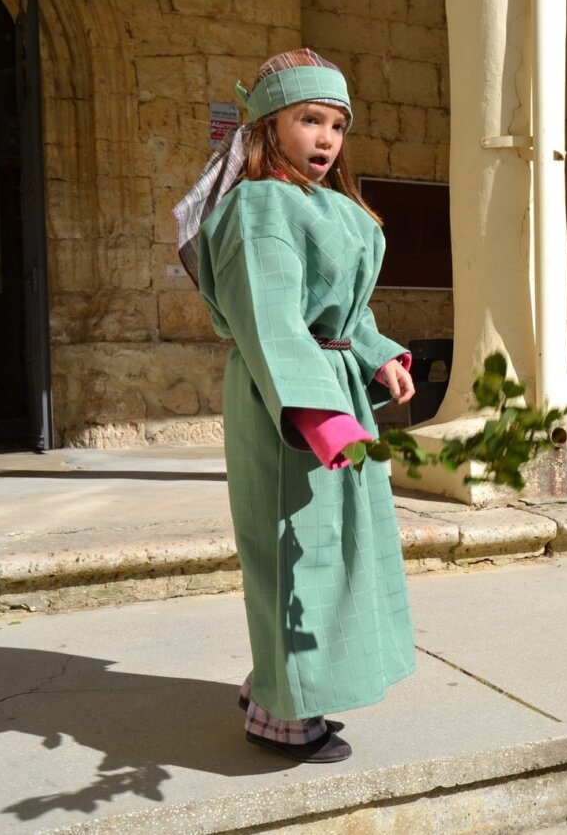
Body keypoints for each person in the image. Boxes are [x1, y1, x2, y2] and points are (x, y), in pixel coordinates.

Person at [173, 50, 417, 764]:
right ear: (267, 123)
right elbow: (272, 320)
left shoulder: (336, 210)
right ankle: (281, 714)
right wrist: (318, 412)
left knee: (333, 548)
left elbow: (347, 314)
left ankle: (275, 681)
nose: (326, 138)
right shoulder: (257, 207)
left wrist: (382, 357)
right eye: (310, 119)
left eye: (338, 125)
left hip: (333, 397)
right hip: (286, 402)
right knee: (291, 549)